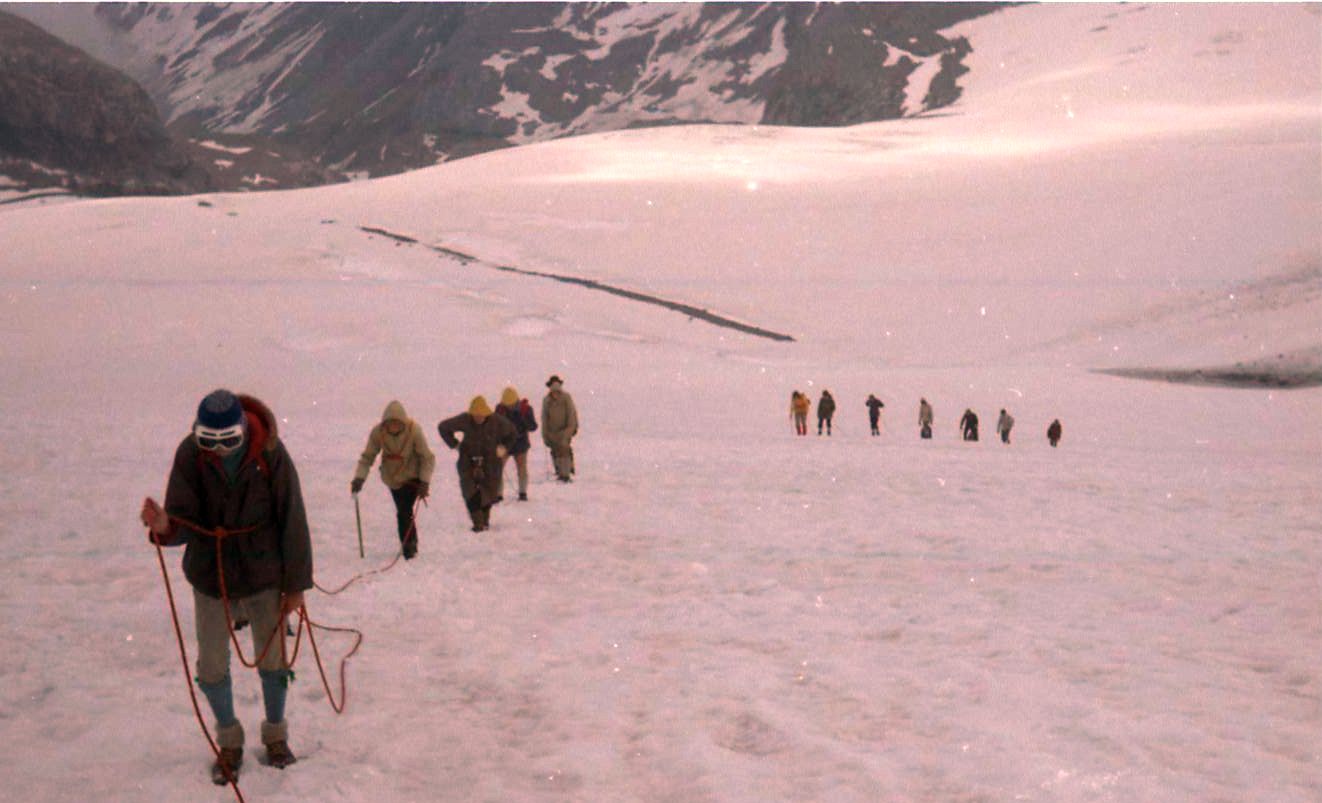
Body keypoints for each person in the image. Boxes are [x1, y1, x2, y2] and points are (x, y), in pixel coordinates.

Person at [140, 389, 312, 784]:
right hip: (209, 574)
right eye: (209, 442)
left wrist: (296, 586)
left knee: (273, 661)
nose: (217, 450)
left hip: (264, 574)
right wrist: (165, 525)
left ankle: (275, 736)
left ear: (242, 430)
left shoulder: (271, 454)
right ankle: (229, 742)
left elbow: (293, 518)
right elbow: (182, 518)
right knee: (212, 665)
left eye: (227, 442)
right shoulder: (189, 455)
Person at [350, 400, 435, 559]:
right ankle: (411, 542)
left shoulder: (414, 431)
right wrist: (359, 478)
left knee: (404, 510)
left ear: (403, 422)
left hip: (413, 477)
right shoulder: (378, 433)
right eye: (390, 423)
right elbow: (367, 457)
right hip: (392, 479)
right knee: (404, 510)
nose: (394, 426)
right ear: (385, 423)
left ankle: (408, 547)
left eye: (397, 423)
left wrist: (424, 482)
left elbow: (427, 457)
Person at [438, 396, 518, 531]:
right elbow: (443, 427)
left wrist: (504, 447)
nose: (478, 418)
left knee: (490, 492)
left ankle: (484, 520)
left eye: (482, 415)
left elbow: (513, 433)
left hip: (491, 461)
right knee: (469, 491)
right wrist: (455, 444)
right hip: (467, 461)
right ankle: (478, 523)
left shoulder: (497, 421)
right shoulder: (465, 419)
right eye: (476, 415)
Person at [495, 386, 538, 501]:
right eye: (506, 404)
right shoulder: (499, 409)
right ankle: (498, 495)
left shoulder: (526, 409)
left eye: (511, 405)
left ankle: (522, 493)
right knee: (497, 468)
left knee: (521, 468)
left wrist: (524, 421)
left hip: (520, 443)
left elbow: (533, 427)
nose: (508, 407)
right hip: (504, 444)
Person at [541, 375, 579, 482]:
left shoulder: (566, 398)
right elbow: (544, 419)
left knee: (564, 449)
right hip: (552, 432)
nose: (555, 393)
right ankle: (560, 471)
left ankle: (566, 474)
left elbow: (571, 415)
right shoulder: (546, 400)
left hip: (565, 430)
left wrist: (569, 431)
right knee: (555, 450)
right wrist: (545, 435)